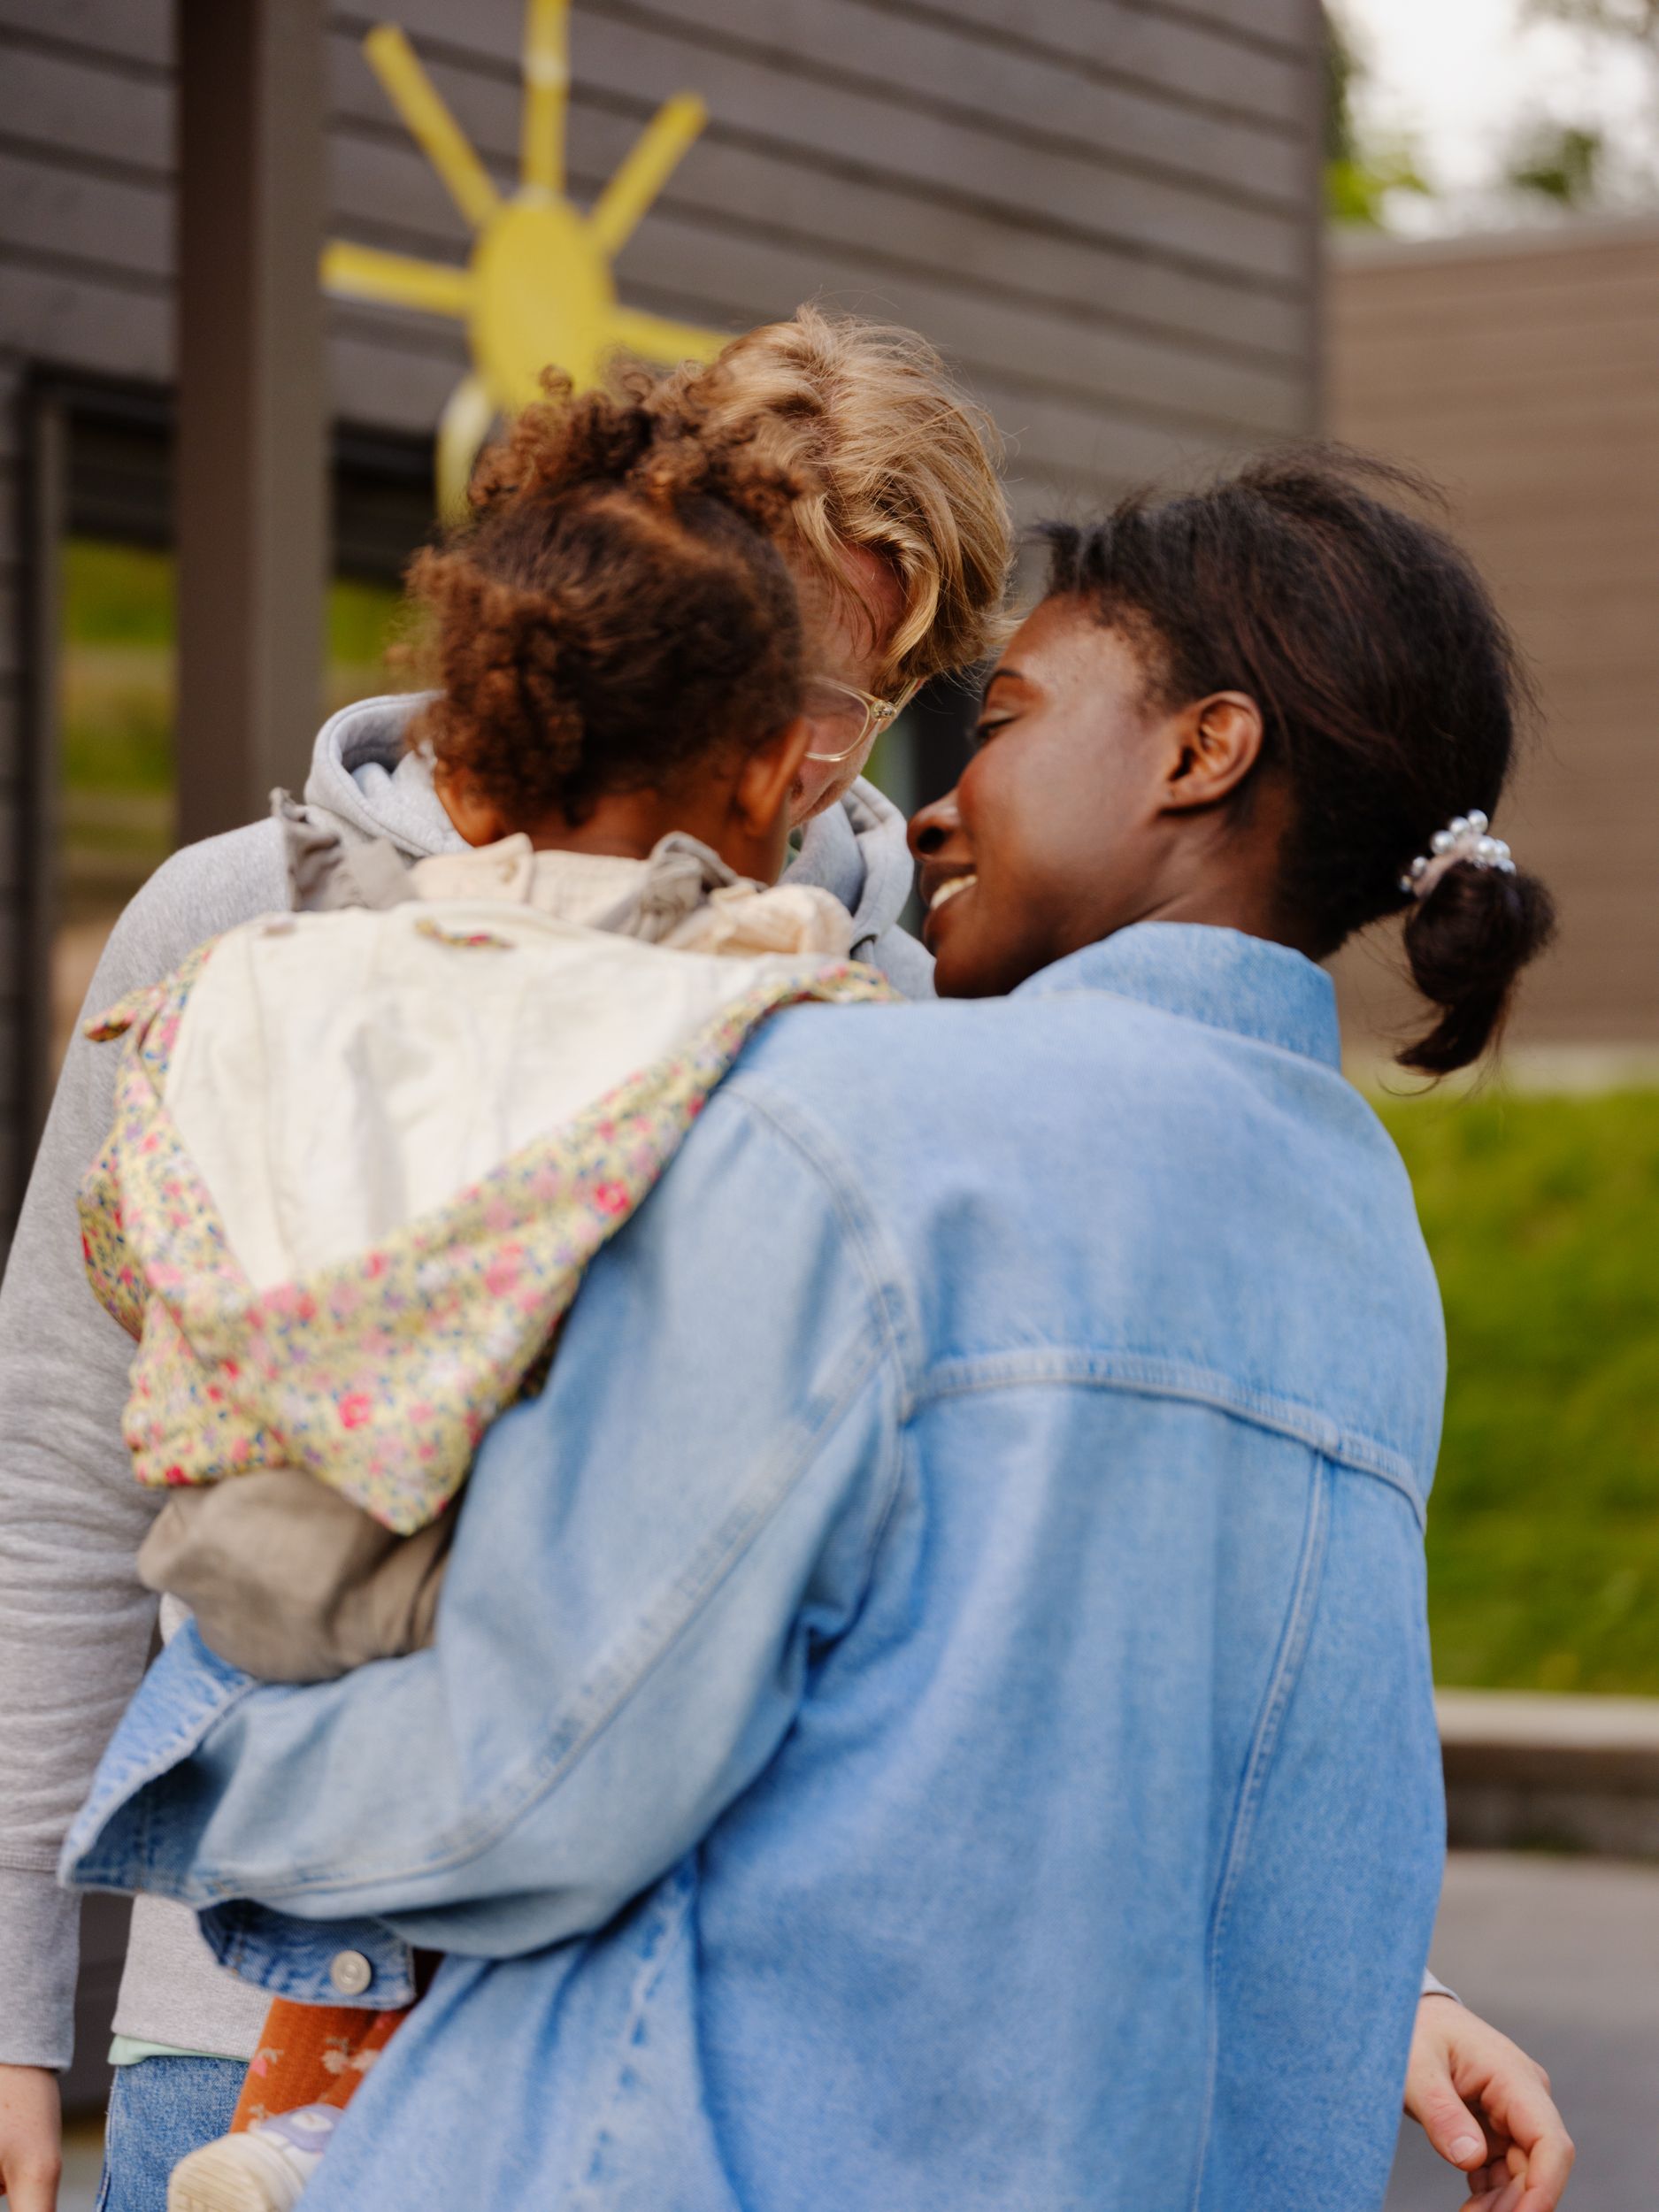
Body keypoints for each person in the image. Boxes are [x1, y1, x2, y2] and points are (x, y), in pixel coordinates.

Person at [63, 451, 1571, 2211]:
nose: (932, 800)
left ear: (1200, 750)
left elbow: (533, 1775)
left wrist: (235, 1758)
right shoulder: (1360, 1236)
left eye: (998, 719)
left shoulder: (842, 1117)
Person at [0, 308, 1010, 2212]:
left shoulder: (898, 1013)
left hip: (689, 2039)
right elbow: (59, 1467)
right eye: (763, 671)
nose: (794, 760)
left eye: (854, 704)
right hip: (236, 2004)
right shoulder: (237, 924)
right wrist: (11, 2002)